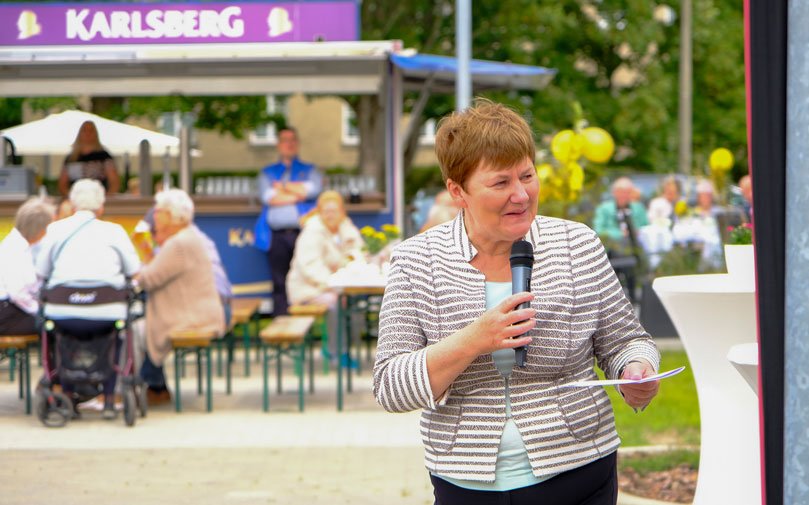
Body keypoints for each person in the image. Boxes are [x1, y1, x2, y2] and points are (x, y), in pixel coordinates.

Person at [373, 100, 660, 504]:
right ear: (458, 191)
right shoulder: (417, 261)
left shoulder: (577, 245)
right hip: (465, 485)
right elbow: (390, 386)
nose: (521, 194)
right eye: (501, 183)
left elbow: (627, 341)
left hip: (579, 472)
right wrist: (475, 338)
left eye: (527, 175)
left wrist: (638, 369)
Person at [35, 179, 141, 418]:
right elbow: (135, 271)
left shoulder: (55, 230)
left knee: (57, 337)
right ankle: (110, 399)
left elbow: (40, 272)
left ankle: (69, 394)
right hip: (107, 311)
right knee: (118, 335)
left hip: (63, 312)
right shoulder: (115, 232)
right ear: (101, 207)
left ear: (72, 205)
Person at [136, 189, 225, 405]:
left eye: (158, 212)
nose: (154, 216)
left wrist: (134, 271)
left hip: (190, 316)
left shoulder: (178, 243)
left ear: (172, 216)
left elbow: (149, 279)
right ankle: (153, 386)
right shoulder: (187, 238)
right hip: (197, 312)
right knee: (140, 326)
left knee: (134, 330)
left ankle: (135, 386)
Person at [286, 191, 363, 360]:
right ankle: (336, 352)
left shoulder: (347, 228)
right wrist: (335, 285)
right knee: (336, 304)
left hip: (336, 286)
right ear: (319, 213)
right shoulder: (312, 231)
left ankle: (353, 349)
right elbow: (310, 267)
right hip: (308, 289)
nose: (330, 215)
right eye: (325, 211)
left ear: (342, 212)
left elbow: (358, 253)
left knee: (356, 303)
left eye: (334, 210)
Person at [254, 127, 322, 316]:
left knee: (304, 279)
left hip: (303, 233)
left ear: (297, 143)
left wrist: (283, 187)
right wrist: (297, 193)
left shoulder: (309, 170)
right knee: (279, 281)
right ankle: (282, 322)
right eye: (285, 140)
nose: (289, 144)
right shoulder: (268, 172)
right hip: (275, 235)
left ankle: (304, 324)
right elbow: (269, 197)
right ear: (278, 144)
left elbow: (313, 191)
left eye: (292, 140)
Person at [0, 198, 55, 335]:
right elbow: (18, 293)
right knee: (57, 325)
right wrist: (39, 311)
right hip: (7, 314)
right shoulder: (15, 249)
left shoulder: (21, 244)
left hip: (11, 310)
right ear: (41, 229)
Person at [59, 121, 120, 197]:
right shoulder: (71, 159)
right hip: (77, 200)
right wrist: (70, 197)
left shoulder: (104, 156)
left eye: (91, 130)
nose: (88, 133)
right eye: (85, 130)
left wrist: (107, 197)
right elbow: (62, 183)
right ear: (80, 134)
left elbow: (114, 181)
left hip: (98, 199)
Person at [592, 177, 649, 243]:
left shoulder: (638, 208)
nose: (624, 195)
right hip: (613, 246)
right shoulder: (604, 209)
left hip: (637, 244)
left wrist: (637, 231)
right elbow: (598, 230)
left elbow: (646, 227)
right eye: (621, 192)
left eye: (627, 192)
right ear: (614, 193)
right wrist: (620, 234)